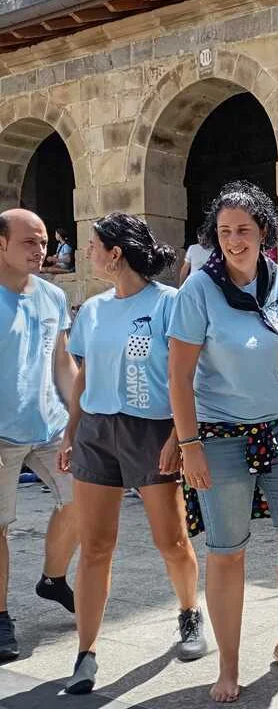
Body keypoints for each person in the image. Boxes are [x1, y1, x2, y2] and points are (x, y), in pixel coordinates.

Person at [167, 181, 278, 703]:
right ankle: (229, 666)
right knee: (227, 551)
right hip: (219, 437)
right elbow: (179, 376)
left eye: (244, 230)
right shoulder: (198, 290)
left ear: (264, 232)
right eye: (225, 231)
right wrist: (189, 445)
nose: (234, 241)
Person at [57, 213, 208, 694]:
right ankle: (85, 653)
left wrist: (178, 437)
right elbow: (84, 374)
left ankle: (190, 611)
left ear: (115, 253)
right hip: (97, 432)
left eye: (93, 245)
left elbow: (190, 375)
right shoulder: (92, 310)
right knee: (95, 546)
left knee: (172, 540)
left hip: (153, 430)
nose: (87, 252)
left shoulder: (169, 303)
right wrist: (71, 431)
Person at [0, 208, 79, 660]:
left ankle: (53, 578)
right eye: (29, 241)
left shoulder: (52, 296)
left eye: (44, 241)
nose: (41, 249)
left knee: (84, 500)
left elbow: (62, 362)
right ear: (1, 244)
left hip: (51, 427)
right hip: (1, 434)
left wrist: (79, 419)